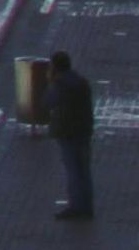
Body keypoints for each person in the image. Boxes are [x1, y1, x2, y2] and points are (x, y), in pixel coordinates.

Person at [43, 48, 101, 219]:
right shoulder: (81, 81)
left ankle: (76, 208)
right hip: (83, 130)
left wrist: (49, 81)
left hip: (67, 133)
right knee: (84, 170)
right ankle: (87, 206)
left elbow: (47, 102)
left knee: (73, 171)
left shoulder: (59, 85)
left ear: (55, 67)